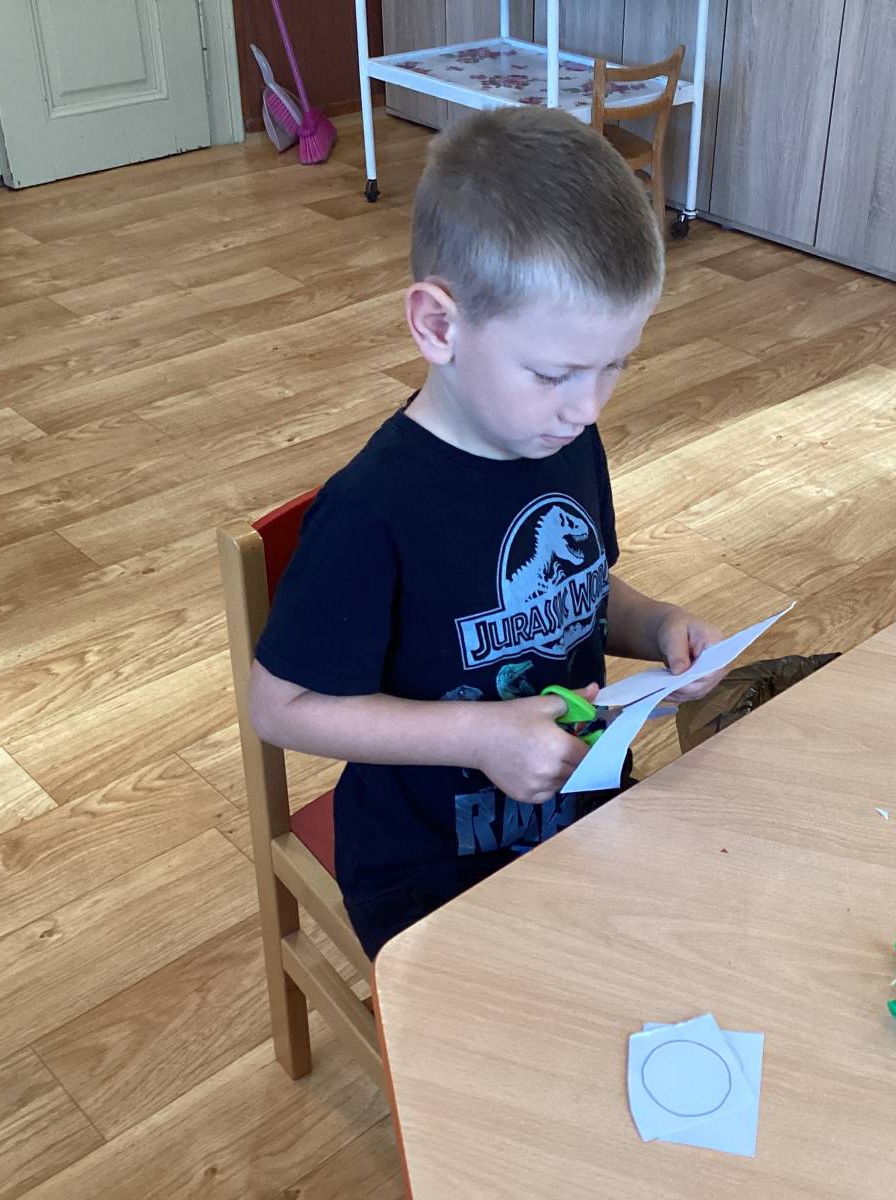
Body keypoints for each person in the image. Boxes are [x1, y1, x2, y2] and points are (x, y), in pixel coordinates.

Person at [248, 105, 729, 959]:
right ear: (439, 326)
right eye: (553, 373)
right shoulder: (371, 511)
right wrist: (479, 737)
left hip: (587, 806)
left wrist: (656, 625)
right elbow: (279, 708)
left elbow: (580, 593)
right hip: (429, 868)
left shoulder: (561, 439)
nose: (588, 407)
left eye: (615, 365)